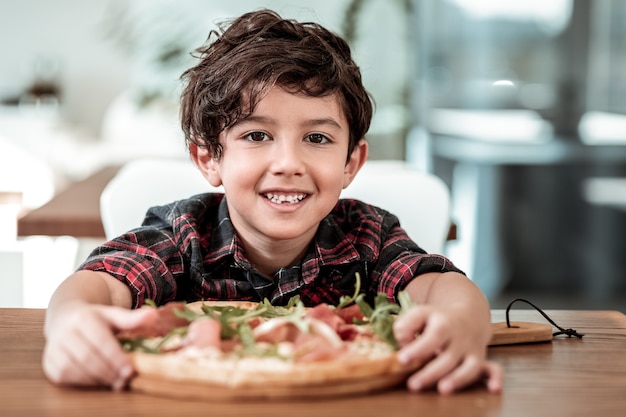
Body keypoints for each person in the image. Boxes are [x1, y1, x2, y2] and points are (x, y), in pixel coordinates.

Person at [42, 9, 502, 395]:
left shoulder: (368, 235)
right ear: (209, 158)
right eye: (257, 135)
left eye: (317, 138)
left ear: (351, 162)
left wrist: (463, 322)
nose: (288, 163)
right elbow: (98, 283)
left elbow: (441, 286)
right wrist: (70, 321)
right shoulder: (180, 234)